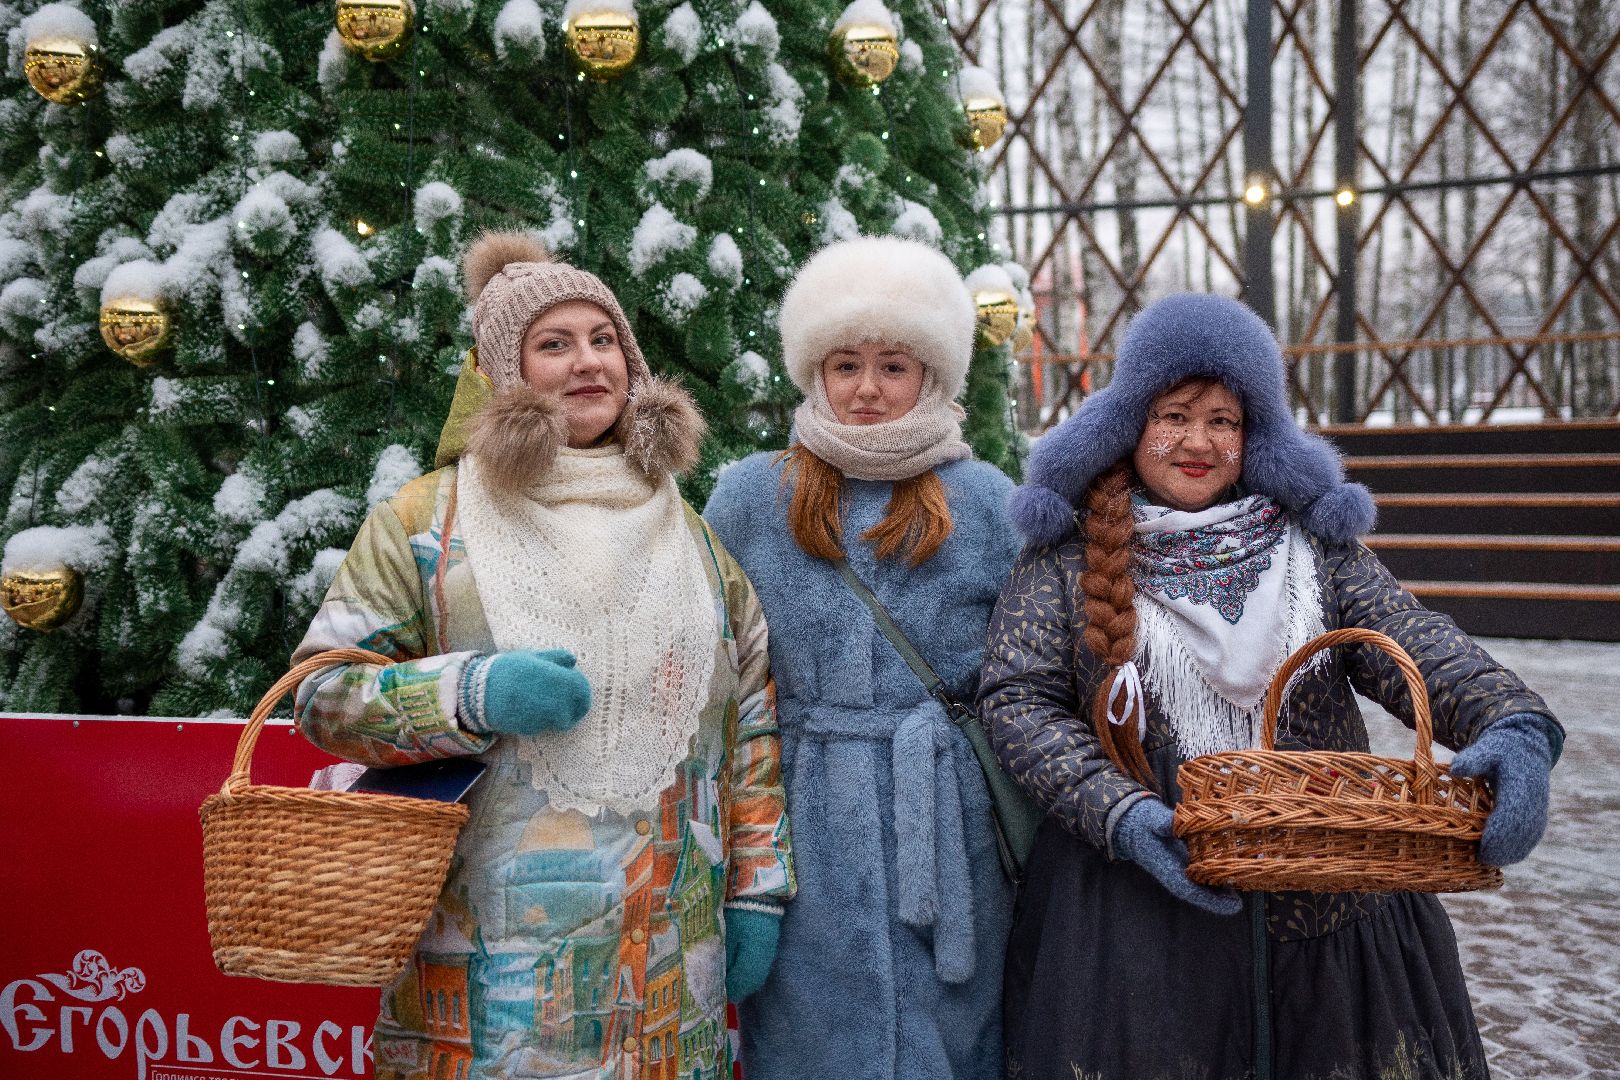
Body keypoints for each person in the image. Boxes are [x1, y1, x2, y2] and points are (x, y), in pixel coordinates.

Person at [980, 293, 1562, 1080]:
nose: (1199, 440)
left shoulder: (1314, 549)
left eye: (1224, 419)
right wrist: (1117, 813)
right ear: (1129, 426)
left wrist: (1511, 720)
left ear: (1255, 435)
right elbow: (1017, 700)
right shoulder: (1065, 558)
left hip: (1328, 913)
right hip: (1138, 920)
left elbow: (1412, 643)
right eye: (1175, 414)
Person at [292, 232, 795, 1079]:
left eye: (604, 341)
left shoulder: (695, 540)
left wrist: (757, 891)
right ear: (502, 373)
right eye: (553, 345)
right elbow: (322, 696)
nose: (588, 363)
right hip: (488, 983)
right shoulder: (424, 524)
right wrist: (469, 691)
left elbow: (751, 725)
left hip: (671, 977)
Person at [704, 236, 1020, 1079]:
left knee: (953, 1030)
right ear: (814, 371)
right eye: (846, 364)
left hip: (949, 818)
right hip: (806, 816)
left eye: (893, 364)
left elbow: (1032, 670)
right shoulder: (750, 497)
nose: (868, 388)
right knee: (810, 1036)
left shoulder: (990, 503)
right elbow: (716, 663)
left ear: (934, 375)